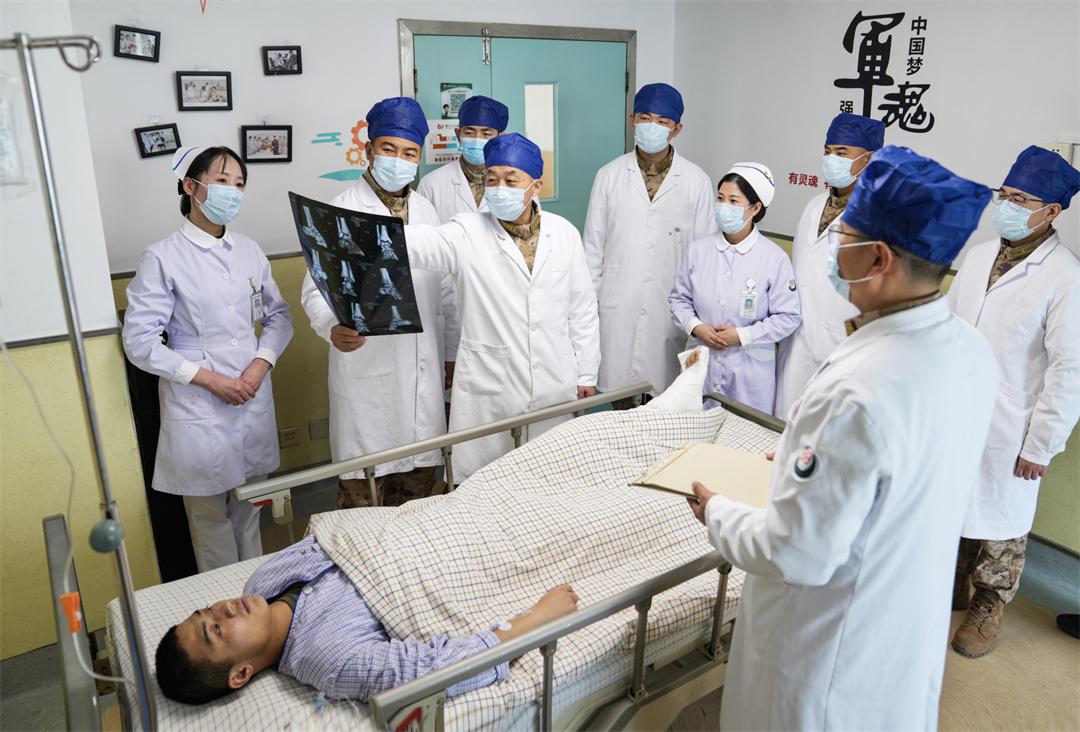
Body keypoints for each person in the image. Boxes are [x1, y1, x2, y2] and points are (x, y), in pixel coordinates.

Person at [687, 146, 998, 730]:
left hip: (825, 655)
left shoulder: (856, 389)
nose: (831, 248)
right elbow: (903, 465)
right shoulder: (971, 352)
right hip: (903, 622)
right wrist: (811, 459)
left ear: (877, 257)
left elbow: (796, 552)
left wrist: (719, 512)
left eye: (844, 236)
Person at [123, 146, 293, 572]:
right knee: (209, 519)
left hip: (252, 392)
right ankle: (222, 600)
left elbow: (278, 317)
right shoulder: (162, 257)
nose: (232, 191)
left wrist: (260, 364)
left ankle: (254, 594)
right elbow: (140, 341)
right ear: (190, 186)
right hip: (198, 402)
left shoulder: (249, 251)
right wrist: (212, 381)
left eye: (239, 184)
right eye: (221, 181)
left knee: (252, 507)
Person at [154, 534, 579, 704]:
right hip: (458, 557)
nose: (225, 608)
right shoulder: (328, 659)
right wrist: (537, 618)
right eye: (216, 629)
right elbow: (437, 670)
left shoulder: (262, 581)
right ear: (241, 674)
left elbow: (344, 535)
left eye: (207, 610)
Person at [402, 133, 600, 482]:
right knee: (484, 486)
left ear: (535, 186)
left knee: (550, 482)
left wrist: (586, 373)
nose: (498, 188)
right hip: (489, 389)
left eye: (511, 180)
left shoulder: (564, 233)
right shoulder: (466, 231)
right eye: (491, 179)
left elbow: (582, 308)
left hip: (555, 381)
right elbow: (418, 244)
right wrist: (358, 232)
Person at [947, 145, 1080, 657]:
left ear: (1052, 211)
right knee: (956, 500)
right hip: (959, 408)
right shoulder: (980, 256)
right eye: (1003, 194)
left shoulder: (1066, 276)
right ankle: (955, 582)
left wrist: (1041, 444)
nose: (1005, 205)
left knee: (1003, 519)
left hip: (1013, 422)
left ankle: (989, 603)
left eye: (1020, 199)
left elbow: (1069, 370)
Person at [300, 97, 458, 509]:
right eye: (389, 149)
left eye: (409, 153)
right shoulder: (342, 209)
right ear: (369, 150)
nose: (398, 160)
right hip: (367, 372)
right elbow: (315, 289)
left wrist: (450, 354)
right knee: (364, 502)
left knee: (419, 503)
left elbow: (445, 292)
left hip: (423, 371)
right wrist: (330, 327)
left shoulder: (427, 211)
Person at [583, 83, 716, 407]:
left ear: (676, 129)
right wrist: (587, 315)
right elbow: (592, 252)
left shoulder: (697, 181)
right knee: (620, 405)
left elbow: (704, 259)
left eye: (662, 121)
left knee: (666, 407)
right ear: (632, 120)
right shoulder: (608, 176)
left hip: (670, 315)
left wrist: (696, 320)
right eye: (645, 117)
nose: (652, 126)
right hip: (617, 311)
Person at [775, 112, 885, 419]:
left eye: (842, 153)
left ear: (869, 158)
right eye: (828, 151)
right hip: (797, 338)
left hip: (844, 348)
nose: (831, 159)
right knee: (783, 426)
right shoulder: (814, 206)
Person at [669, 162, 800, 413]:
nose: (723, 206)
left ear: (755, 208)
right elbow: (679, 300)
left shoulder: (774, 258)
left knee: (743, 432)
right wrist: (696, 327)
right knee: (694, 430)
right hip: (701, 364)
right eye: (720, 198)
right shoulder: (698, 250)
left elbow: (788, 317)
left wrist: (742, 336)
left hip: (749, 375)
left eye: (733, 201)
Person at [417, 95, 508, 222]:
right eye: (469, 133)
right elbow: (422, 232)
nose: (477, 139)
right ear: (458, 135)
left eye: (486, 134)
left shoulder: (516, 182)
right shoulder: (430, 184)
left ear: (500, 138)